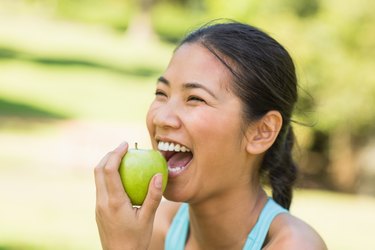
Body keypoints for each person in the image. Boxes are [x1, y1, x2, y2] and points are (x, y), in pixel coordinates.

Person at [94, 20, 327, 250]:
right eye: (161, 93)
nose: (161, 118)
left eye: (195, 98)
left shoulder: (296, 244)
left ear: (261, 132)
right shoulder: (155, 229)